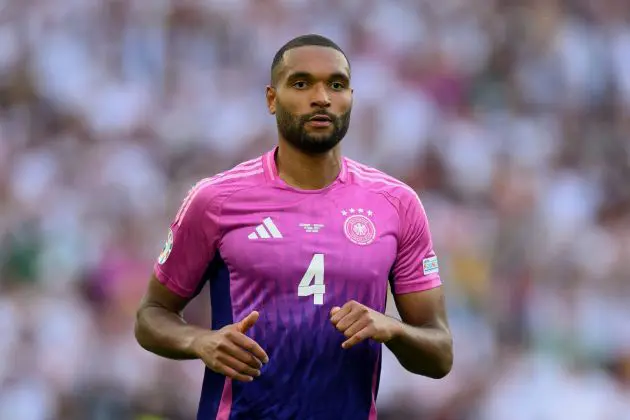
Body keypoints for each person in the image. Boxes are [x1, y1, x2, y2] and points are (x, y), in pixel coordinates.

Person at [134, 34, 453, 420]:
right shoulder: (216, 199)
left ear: (351, 97)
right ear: (271, 99)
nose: (321, 97)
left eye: (336, 85)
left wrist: (394, 328)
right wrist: (199, 341)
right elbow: (151, 315)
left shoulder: (396, 204)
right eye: (301, 84)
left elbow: (439, 354)